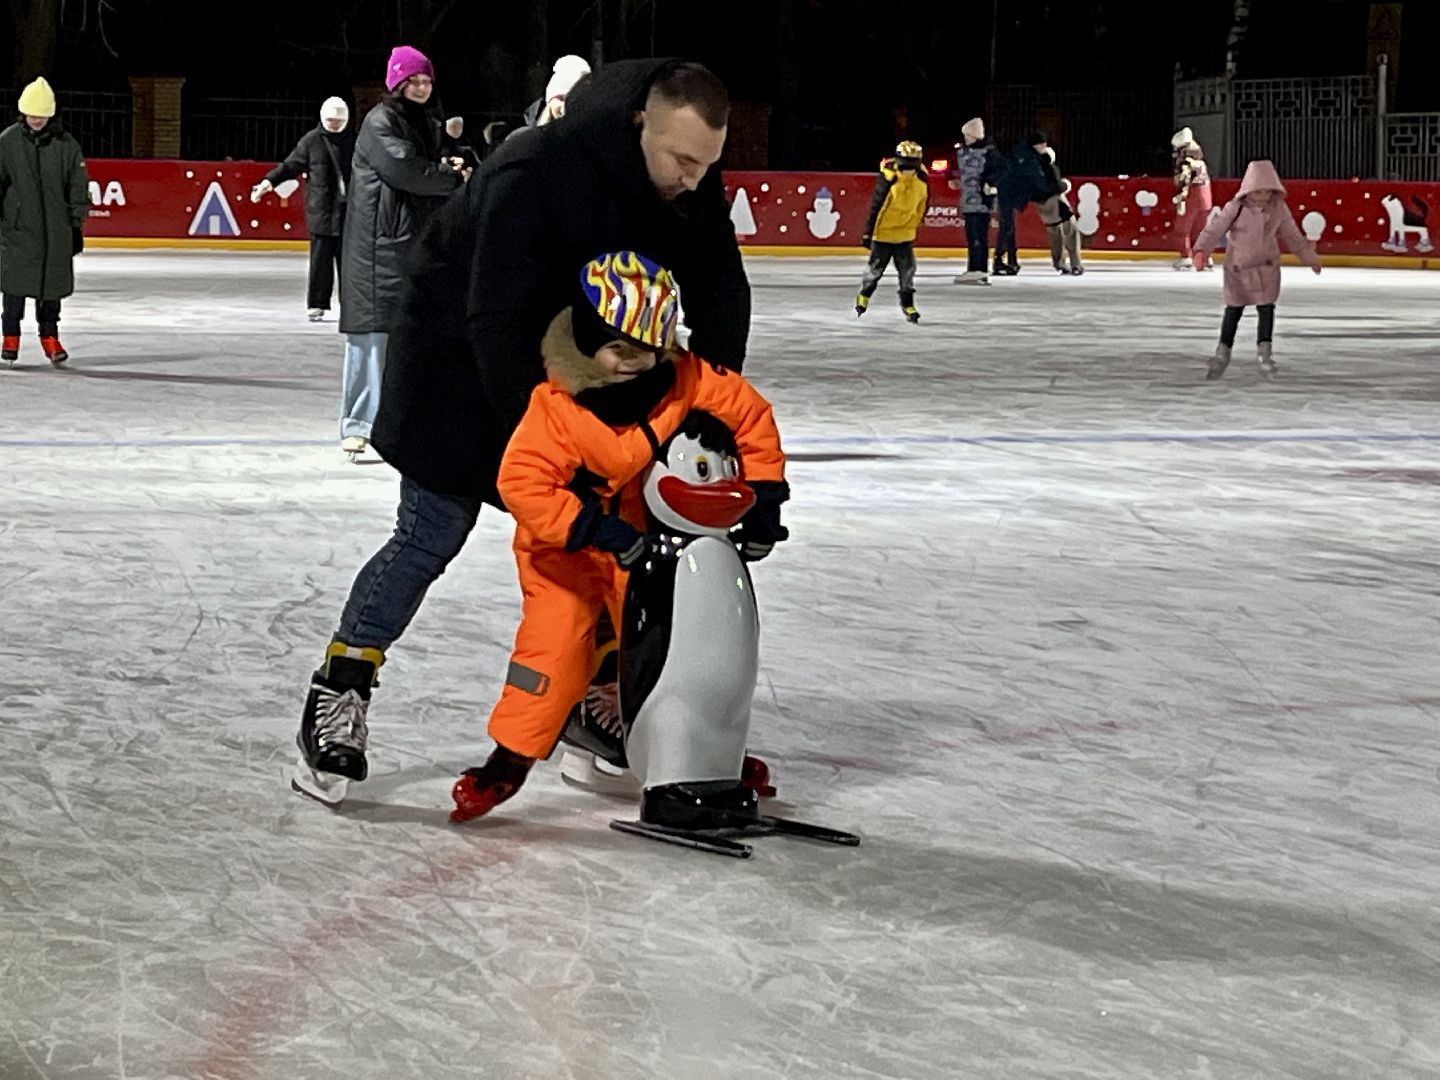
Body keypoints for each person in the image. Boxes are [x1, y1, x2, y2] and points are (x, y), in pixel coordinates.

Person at [290, 59, 752, 806]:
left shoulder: (688, 178)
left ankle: (587, 704)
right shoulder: (536, 168)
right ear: (640, 122)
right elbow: (495, 318)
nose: (694, 180)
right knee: (430, 533)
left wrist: (709, 425)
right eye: (682, 160)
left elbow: (721, 288)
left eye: (707, 164)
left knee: (605, 542)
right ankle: (340, 688)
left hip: (579, 372)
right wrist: (556, 446)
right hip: (455, 368)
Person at [449, 251, 787, 822]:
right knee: (556, 648)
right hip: (565, 551)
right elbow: (523, 483)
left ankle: (695, 755)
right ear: (587, 342)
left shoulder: (684, 378)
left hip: (638, 543)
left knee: (673, 644)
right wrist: (591, 526)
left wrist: (765, 499)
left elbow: (750, 416)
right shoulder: (557, 408)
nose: (634, 362)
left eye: (648, 349)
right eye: (618, 348)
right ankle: (510, 758)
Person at [336, 45, 464, 460]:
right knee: (371, 339)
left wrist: (452, 164)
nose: (422, 88)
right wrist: (448, 177)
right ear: (397, 83)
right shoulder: (380, 122)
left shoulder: (423, 122)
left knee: (406, 339)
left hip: (406, 243)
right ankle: (357, 425)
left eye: (427, 81)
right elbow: (406, 170)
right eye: (414, 81)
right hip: (377, 250)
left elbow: (429, 167)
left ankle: (401, 423)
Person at [1192, 159, 1321, 380]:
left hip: (1266, 268)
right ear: (1248, 189)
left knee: (1266, 309)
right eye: (1258, 191)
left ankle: (1264, 353)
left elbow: (1292, 235)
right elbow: (1215, 229)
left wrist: (1309, 257)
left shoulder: (1278, 208)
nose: (1263, 196)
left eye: (1267, 191)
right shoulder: (1236, 208)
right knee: (1233, 311)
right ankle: (1222, 352)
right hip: (1238, 269)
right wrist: (1201, 250)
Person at [0, 77, 89, 368]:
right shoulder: (8, 141)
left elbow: (77, 184)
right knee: (14, 286)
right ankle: (10, 336)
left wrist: (75, 222)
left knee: (51, 289)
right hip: (18, 229)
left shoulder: (66, 145)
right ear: (22, 112)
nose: (36, 119)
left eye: (42, 114)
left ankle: (50, 337)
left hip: (56, 229)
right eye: (31, 113)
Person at [251, 97, 354, 322]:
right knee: (320, 261)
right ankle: (317, 304)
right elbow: (290, 166)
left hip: (350, 212)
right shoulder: (312, 141)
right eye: (330, 120)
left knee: (350, 263)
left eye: (338, 121)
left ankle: (351, 305)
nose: (334, 124)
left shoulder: (356, 142)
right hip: (321, 210)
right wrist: (268, 183)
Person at [855, 140, 928, 322]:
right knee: (875, 270)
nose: (909, 171)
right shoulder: (889, 179)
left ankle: (908, 304)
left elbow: (923, 205)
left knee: (908, 271)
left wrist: (914, 224)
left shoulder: (921, 180)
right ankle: (864, 295)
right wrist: (868, 233)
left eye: (912, 166)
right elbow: (876, 207)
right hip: (883, 235)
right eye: (906, 166)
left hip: (905, 235)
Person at [992, 131, 1050, 276]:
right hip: (1009, 193)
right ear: (1037, 145)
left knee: (1008, 227)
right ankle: (1001, 260)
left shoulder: (1023, 153)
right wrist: (1053, 188)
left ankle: (1011, 260)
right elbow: (1038, 180)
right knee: (1007, 227)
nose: (1044, 148)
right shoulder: (1029, 158)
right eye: (1043, 145)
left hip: (1007, 192)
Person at [951, 117, 1000, 286]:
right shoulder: (964, 151)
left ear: (974, 135)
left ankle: (978, 269)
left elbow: (998, 171)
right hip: (969, 201)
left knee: (978, 236)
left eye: (968, 135)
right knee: (973, 236)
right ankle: (975, 268)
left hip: (981, 202)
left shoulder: (990, 153)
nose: (965, 138)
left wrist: (990, 183)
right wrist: (952, 177)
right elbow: (954, 166)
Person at [510, 54, 592, 139]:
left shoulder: (590, 139)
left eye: (573, 101)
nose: (563, 107)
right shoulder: (522, 139)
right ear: (550, 100)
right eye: (561, 99)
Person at [1171, 127, 1213, 270]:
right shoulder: (1201, 162)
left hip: (1192, 197)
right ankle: (1204, 257)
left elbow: (1184, 182)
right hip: (1206, 198)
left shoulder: (1185, 162)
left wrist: (1181, 198)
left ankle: (1186, 257)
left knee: (1182, 229)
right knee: (1201, 230)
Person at [1038, 146, 1082, 275]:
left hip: (1044, 207)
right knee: (1071, 231)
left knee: (1055, 234)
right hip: (1057, 205)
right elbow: (1057, 186)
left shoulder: (1033, 171)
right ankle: (1075, 264)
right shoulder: (1050, 169)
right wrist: (1065, 185)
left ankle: (1059, 262)